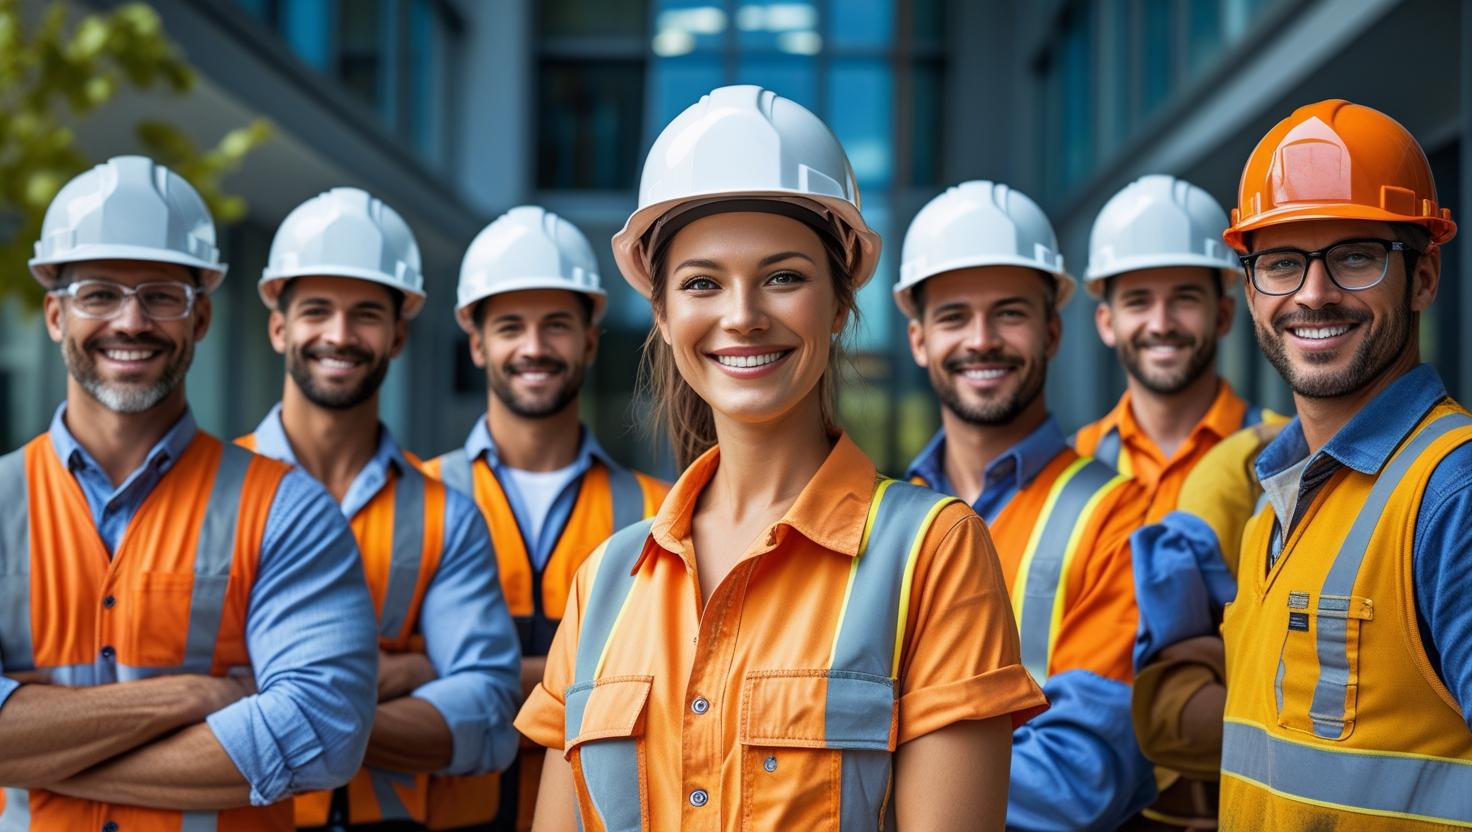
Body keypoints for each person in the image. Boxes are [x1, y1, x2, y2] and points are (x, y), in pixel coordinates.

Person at [515, 85, 1046, 832]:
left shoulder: (933, 552)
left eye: (784, 277)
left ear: (837, 305)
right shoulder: (604, 582)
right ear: (663, 316)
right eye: (702, 283)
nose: (742, 316)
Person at [0, 156, 378, 829]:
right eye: (98, 294)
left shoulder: (288, 512)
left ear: (200, 319)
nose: (131, 321)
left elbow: (324, 732)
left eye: (161, 295)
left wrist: (42, 752)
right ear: (56, 316)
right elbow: (279, 734)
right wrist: (185, 699)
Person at [1216, 99, 1471, 829]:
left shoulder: (1453, 495)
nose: (1313, 293)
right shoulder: (1272, 503)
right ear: (1251, 287)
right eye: (1282, 263)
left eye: (1356, 256)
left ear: (1422, 278)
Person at [239, 187, 522, 830]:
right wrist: (406, 676)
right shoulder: (210, 496)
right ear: (279, 325)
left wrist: (272, 701)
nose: (340, 335)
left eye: (366, 313)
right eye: (317, 310)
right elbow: (173, 682)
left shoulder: (446, 517)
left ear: (397, 335)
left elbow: (487, 711)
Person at [897, 181, 1155, 830]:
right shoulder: (885, 519)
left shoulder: (1116, 516)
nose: (982, 340)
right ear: (919, 340)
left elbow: (1082, 777)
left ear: (1052, 332)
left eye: (1009, 313)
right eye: (954, 316)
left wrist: (858, 774)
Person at [421, 206, 668, 831]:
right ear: (476, 342)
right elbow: (362, 684)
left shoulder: (663, 510)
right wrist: (585, 688)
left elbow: (664, 692)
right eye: (510, 327)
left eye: (556, 325)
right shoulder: (413, 499)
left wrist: (440, 674)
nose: (534, 348)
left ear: (589, 338)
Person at [1074, 175, 1275, 524]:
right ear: (1106, 323)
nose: (1161, 324)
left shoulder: (1284, 450)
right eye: (1138, 302)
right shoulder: (1072, 461)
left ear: (1224, 315)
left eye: (1185, 299)